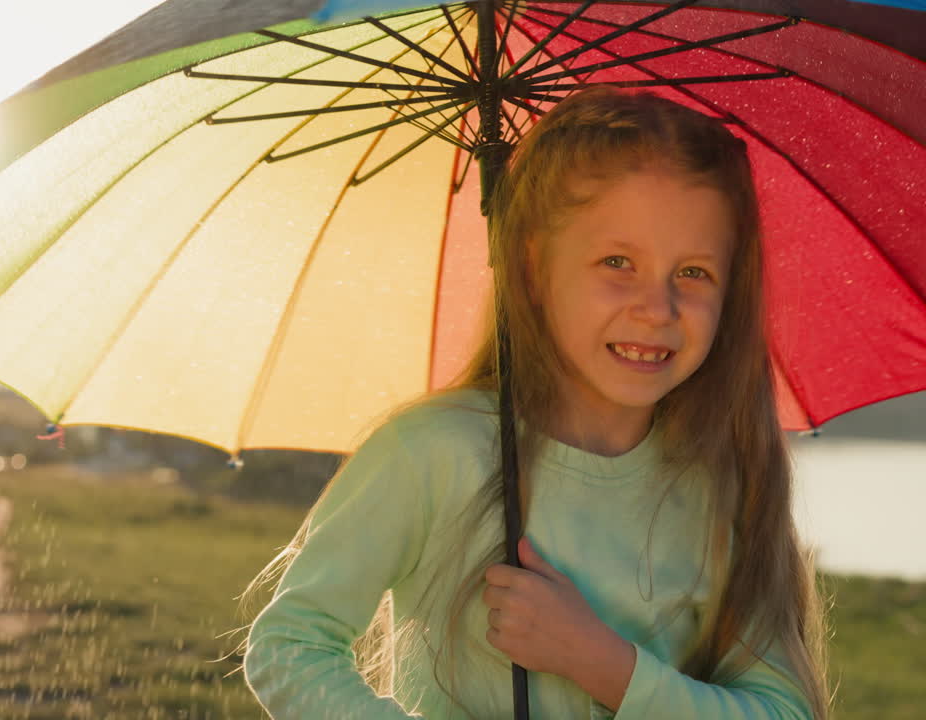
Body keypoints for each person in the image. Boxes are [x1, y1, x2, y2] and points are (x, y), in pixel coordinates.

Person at [238, 86, 831, 719]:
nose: (658, 308)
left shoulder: (714, 488)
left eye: (693, 273)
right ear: (530, 269)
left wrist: (599, 661)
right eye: (617, 262)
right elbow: (289, 648)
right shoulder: (435, 453)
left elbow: (785, 711)